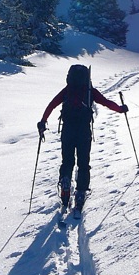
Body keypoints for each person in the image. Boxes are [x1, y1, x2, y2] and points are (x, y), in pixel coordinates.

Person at [37, 64, 128, 211]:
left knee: (67, 160)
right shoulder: (90, 92)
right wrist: (121, 109)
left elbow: (51, 105)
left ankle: (65, 183)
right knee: (83, 162)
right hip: (84, 131)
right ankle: (80, 192)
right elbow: (106, 103)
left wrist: (42, 121)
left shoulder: (67, 91)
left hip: (68, 130)